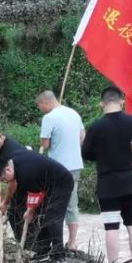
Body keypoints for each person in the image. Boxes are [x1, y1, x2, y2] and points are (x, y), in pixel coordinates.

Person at [81, 86, 132, 263]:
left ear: (101, 104)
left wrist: (101, 157)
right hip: (131, 182)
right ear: (121, 101)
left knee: (111, 227)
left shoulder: (95, 127)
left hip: (107, 184)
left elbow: (85, 152)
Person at [0, 146, 74, 263]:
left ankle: (59, 257)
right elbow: (22, 187)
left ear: (7, 170)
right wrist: (7, 203)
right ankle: (43, 252)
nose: (6, 182)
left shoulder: (25, 173)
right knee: (43, 217)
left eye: (4, 179)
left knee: (52, 219)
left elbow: (36, 194)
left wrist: (30, 210)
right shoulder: (13, 163)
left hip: (61, 182)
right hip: (46, 184)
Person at [36, 90, 85, 250]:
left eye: (40, 105)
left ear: (45, 102)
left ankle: (51, 242)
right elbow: (82, 136)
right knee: (72, 202)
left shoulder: (49, 118)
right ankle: (72, 242)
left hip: (57, 167)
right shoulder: (74, 113)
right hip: (75, 165)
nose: (40, 108)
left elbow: (45, 144)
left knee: (54, 203)